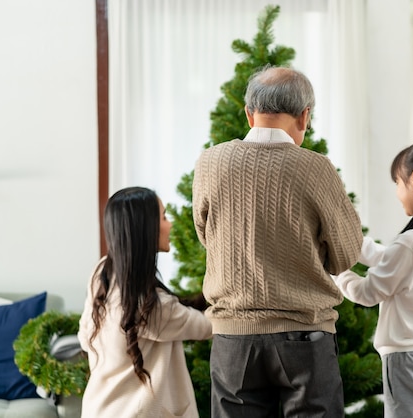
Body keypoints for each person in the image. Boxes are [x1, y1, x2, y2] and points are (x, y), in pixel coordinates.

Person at [191, 65, 363, 418]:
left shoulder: (210, 162)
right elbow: (346, 254)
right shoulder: (317, 168)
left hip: (233, 339)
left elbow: (206, 236)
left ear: (249, 113)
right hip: (305, 341)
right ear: (305, 116)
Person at [334, 140, 413, 418]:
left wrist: (335, 271)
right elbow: (396, 261)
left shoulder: (412, 242)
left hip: (410, 362)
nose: (397, 192)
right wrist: (352, 243)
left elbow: (367, 292)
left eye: (397, 183)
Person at [78, 187, 212, 418]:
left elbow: (84, 335)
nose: (170, 225)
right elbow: (209, 326)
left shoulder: (102, 275)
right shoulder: (153, 307)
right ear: (145, 229)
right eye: (164, 217)